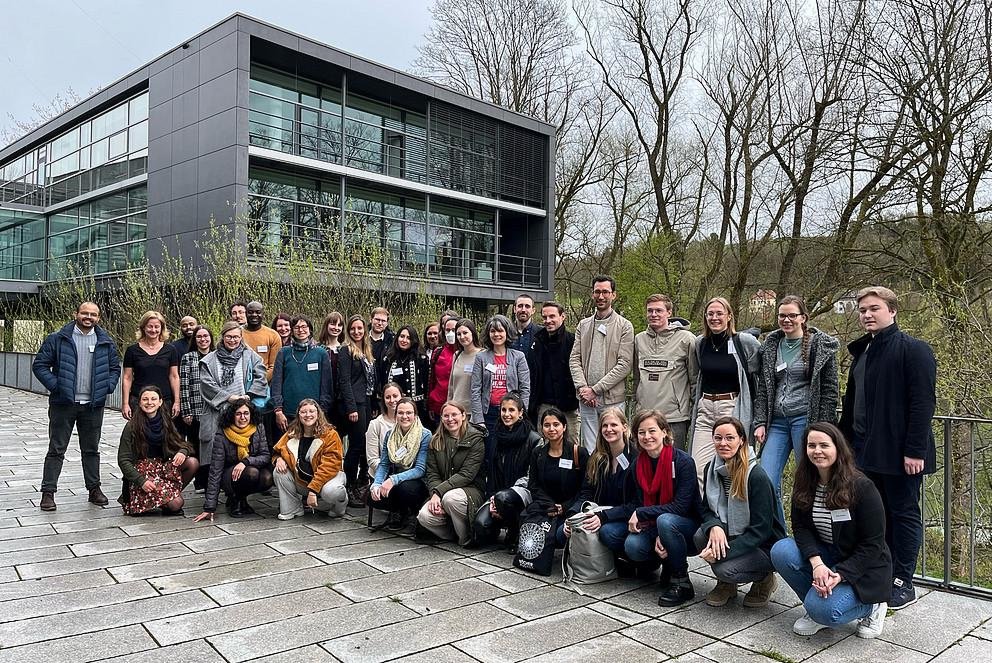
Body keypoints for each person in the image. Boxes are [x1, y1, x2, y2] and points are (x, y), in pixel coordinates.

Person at [839, 286, 936, 609]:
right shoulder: (864, 351)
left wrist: (915, 450)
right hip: (865, 451)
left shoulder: (913, 350)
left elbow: (922, 404)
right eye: (863, 309)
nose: (867, 314)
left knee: (904, 513)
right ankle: (880, 571)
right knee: (874, 516)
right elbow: (853, 404)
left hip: (899, 453)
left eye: (874, 308)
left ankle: (902, 580)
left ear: (892, 311)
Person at [771, 423, 891, 639]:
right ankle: (814, 605)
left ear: (838, 448)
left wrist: (842, 574)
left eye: (824, 445)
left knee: (827, 612)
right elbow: (801, 527)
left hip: (863, 566)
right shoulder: (805, 480)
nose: (817, 451)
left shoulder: (862, 487)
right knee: (781, 550)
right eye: (811, 445)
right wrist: (817, 564)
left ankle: (872, 607)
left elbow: (873, 543)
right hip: (827, 554)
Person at [754, 295, 839, 522]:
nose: (787, 320)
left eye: (792, 315)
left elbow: (830, 390)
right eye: (782, 315)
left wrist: (824, 428)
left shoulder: (819, 347)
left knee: (811, 481)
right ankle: (778, 535)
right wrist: (760, 421)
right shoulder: (771, 347)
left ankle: (811, 535)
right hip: (778, 423)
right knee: (766, 479)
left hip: (806, 422)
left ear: (803, 318)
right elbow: (764, 388)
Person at [33, 301, 121, 511]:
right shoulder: (58, 338)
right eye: (85, 313)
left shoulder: (105, 341)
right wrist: (57, 387)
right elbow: (40, 365)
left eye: (93, 314)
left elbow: (114, 368)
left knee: (91, 449)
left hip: (93, 405)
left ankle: (94, 489)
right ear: (76, 314)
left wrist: (107, 387)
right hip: (63, 404)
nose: (88, 317)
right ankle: (48, 492)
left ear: (98, 318)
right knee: (56, 448)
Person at [696, 417, 785, 608]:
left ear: (741, 440)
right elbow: (705, 509)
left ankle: (764, 579)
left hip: (763, 544)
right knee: (700, 536)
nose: (723, 443)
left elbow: (761, 530)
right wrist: (715, 526)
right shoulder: (711, 469)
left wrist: (723, 553)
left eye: (730, 438)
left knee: (724, 568)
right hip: (734, 533)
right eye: (718, 438)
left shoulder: (755, 475)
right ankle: (727, 587)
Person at [627, 410, 702, 606]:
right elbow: (638, 502)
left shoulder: (683, 462)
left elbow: (680, 507)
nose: (647, 437)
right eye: (641, 432)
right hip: (656, 524)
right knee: (632, 546)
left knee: (666, 521)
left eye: (652, 430)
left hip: (687, 526)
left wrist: (642, 514)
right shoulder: (638, 465)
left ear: (665, 432)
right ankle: (666, 564)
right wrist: (654, 531)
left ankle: (682, 582)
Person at [689, 297, 760, 490]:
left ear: (729, 316)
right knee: (698, 467)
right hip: (705, 410)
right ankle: (707, 516)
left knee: (732, 467)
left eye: (719, 313)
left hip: (731, 408)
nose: (714, 318)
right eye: (710, 314)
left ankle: (731, 515)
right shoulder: (700, 343)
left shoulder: (744, 342)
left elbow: (758, 377)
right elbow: (696, 378)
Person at [563, 408, 639, 565]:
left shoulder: (635, 458)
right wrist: (573, 516)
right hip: (597, 512)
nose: (609, 429)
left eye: (614, 425)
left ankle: (626, 558)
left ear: (624, 427)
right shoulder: (597, 457)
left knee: (608, 533)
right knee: (561, 533)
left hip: (624, 517)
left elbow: (635, 504)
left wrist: (604, 517)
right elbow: (586, 492)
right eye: (605, 426)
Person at [569, 274, 635, 452]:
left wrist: (595, 390)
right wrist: (583, 389)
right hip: (586, 401)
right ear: (592, 294)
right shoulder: (583, 325)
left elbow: (624, 365)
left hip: (612, 400)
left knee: (615, 447)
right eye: (597, 292)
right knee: (591, 449)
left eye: (605, 292)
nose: (601, 296)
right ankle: (593, 480)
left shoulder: (625, 326)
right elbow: (574, 359)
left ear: (614, 295)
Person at [473, 393, 542, 548]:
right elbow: (491, 471)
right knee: (481, 527)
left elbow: (532, 476)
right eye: (503, 410)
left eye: (511, 410)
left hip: (521, 492)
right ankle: (499, 523)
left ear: (521, 413)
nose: (507, 414)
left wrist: (502, 496)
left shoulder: (534, 439)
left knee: (504, 498)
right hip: (498, 492)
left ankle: (515, 529)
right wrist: (492, 498)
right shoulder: (496, 435)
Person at [117, 386, 199, 516]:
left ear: (160, 402)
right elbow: (123, 460)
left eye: (153, 399)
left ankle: (165, 497)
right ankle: (160, 500)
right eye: (145, 399)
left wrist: (182, 451)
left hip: (161, 468)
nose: (149, 402)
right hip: (141, 473)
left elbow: (184, 444)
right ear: (139, 402)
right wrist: (141, 481)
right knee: (176, 504)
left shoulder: (166, 422)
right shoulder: (131, 426)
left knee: (192, 463)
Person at [198, 322, 268, 470]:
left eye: (236, 337)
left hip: (243, 409)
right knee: (218, 453)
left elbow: (261, 376)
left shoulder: (250, 356)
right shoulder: (210, 359)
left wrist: (248, 396)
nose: (232, 340)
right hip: (218, 410)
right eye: (228, 336)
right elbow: (206, 384)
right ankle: (219, 483)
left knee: (242, 447)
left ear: (241, 337)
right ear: (222, 337)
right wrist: (228, 397)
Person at [633, 294, 698, 450]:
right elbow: (637, 378)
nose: (653, 314)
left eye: (658, 310)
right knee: (643, 465)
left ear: (669, 312)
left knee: (674, 464)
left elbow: (694, 379)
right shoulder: (639, 340)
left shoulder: (686, 339)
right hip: (645, 416)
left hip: (674, 417)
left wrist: (693, 409)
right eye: (650, 311)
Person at [416, 401, 487, 545]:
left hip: (470, 491)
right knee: (424, 516)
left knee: (450, 499)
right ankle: (451, 535)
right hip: (443, 491)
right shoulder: (435, 441)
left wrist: (439, 493)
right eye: (446, 416)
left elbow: (467, 474)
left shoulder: (475, 439)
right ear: (441, 418)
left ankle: (465, 538)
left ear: (463, 416)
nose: (450, 419)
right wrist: (434, 496)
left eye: (454, 414)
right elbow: (433, 474)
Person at [194, 399, 273, 520]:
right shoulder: (222, 433)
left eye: (246, 413)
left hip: (249, 467)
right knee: (251, 472)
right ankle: (235, 498)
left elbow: (265, 455)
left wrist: (245, 462)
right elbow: (215, 470)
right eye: (238, 414)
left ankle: (241, 499)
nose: (243, 417)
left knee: (267, 478)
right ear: (232, 415)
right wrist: (209, 508)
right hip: (228, 476)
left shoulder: (258, 428)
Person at [522, 408, 589, 549]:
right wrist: (550, 505)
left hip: (570, 509)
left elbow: (585, 489)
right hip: (546, 508)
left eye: (556, 424)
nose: (551, 429)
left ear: (564, 427)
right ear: (542, 429)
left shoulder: (578, 453)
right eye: (547, 425)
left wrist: (564, 507)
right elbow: (533, 485)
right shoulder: (537, 453)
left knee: (559, 536)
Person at [471, 314, 531, 470]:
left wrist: (521, 412)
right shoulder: (481, 358)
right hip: (489, 413)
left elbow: (525, 388)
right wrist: (479, 419)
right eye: (493, 331)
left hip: (511, 413)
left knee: (511, 454)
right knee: (491, 455)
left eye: (500, 331)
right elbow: (475, 389)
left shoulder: (518, 357)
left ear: (507, 332)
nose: (496, 335)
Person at [271, 399, 347, 520]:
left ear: (318, 413)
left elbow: (329, 466)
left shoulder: (330, 434)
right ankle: (293, 507)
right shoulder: (292, 433)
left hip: (328, 478)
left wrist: (313, 491)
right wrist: (279, 459)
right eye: (303, 412)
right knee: (279, 472)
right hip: (302, 480)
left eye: (311, 411)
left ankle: (340, 506)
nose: (308, 415)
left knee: (332, 492)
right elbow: (277, 451)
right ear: (298, 415)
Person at [370, 397, 431, 529]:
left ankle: (411, 513)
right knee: (375, 492)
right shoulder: (389, 435)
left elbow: (420, 469)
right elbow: (384, 464)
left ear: (415, 415)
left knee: (405, 488)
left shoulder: (425, 435)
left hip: (418, 480)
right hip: (397, 475)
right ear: (396, 415)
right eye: (401, 413)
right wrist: (377, 483)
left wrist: (393, 480)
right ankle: (397, 512)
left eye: (409, 413)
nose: (405, 416)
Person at [271, 315, 334, 431]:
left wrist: (322, 412)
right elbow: (276, 383)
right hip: (288, 414)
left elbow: (326, 386)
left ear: (310, 329)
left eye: (304, 326)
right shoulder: (284, 353)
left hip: (313, 414)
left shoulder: (321, 353)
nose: (301, 330)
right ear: (292, 331)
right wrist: (278, 410)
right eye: (296, 327)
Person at [530, 301, 580, 443]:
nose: (548, 321)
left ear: (562, 316)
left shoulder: (573, 341)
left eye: (552, 316)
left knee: (571, 446)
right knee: (545, 446)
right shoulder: (537, 341)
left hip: (568, 405)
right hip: (544, 403)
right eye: (545, 317)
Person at [339, 314, 376, 506]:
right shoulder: (346, 351)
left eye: (360, 328)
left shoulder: (367, 351)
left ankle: (362, 482)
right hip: (355, 404)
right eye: (353, 328)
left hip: (367, 402)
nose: (356, 332)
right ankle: (349, 484)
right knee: (356, 445)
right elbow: (344, 381)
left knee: (364, 444)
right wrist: (351, 407)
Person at [121, 311, 180, 420]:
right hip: (139, 401)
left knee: (165, 435)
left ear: (162, 328)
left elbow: (174, 376)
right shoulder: (132, 350)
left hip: (164, 401)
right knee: (139, 434)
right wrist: (125, 404)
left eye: (157, 327)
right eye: (150, 326)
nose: (153, 330)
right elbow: (127, 378)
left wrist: (177, 401)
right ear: (143, 327)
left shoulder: (171, 350)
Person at [178, 325, 214, 489]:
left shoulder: (216, 356)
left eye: (206, 336)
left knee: (212, 446)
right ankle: (200, 482)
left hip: (213, 409)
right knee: (196, 446)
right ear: (195, 339)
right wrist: (186, 410)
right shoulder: (188, 357)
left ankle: (211, 480)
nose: (203, 339)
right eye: (199, 337)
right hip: (195, 409)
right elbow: (183, 385)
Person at [378, 325, 430, 426]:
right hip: (392, 408)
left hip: (416, 407)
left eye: (408, 338)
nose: (404, 340)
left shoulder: (421, 359)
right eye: (402, 336)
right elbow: (383, 382)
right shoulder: (388, 358)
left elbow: (426, 383)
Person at [366, 382, 403, 481]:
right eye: (388, 397)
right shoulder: (375, 424)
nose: (392, 400)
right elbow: (372, 459)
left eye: (395, 396)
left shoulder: (409, 421)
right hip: (381, 475)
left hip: (405, 474)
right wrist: (391, 472)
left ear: (402, 397)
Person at [427, 315, 460, 425]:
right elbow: (432, 380)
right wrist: (431, 404)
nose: (450, 333)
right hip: (439, 406)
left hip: (460, 407)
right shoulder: (438, 352)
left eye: (454, 330)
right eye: (447, 330)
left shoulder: (467, 353)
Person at [242, 302, 282, 384]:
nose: (254, 315)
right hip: (240, 382)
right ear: (245, 314)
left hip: (263, 382)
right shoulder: (237, 334)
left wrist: (259, 383)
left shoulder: (273, 335)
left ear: (263, 314)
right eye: (250, 312)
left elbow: (274, 366)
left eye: (258, 312)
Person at [447, 319, 482, 411]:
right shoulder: (456, 355)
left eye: (465, 333)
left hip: (474, 411)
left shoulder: (483, 355)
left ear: (473, 333)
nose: (462, 337)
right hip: (456, 410)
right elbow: (451, 386)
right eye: (458, 334)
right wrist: (448, 405)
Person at [510, 294, 542, 362]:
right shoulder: (506, 332)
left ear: (533, 310)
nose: (523, 310)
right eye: (520, 306)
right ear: (514, 309)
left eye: (527, 306)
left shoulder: (542, 333)